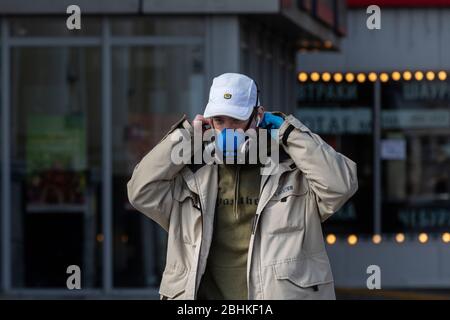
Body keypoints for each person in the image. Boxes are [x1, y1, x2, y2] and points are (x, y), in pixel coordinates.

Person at [127, 73, 358, 300]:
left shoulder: (292, 172)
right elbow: (140, 190)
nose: (228, 130)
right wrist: (187, 135)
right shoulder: (191, 177)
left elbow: (340, 185)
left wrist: (289, 132)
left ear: (258, 116)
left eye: (236, 120)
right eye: (219, 121)